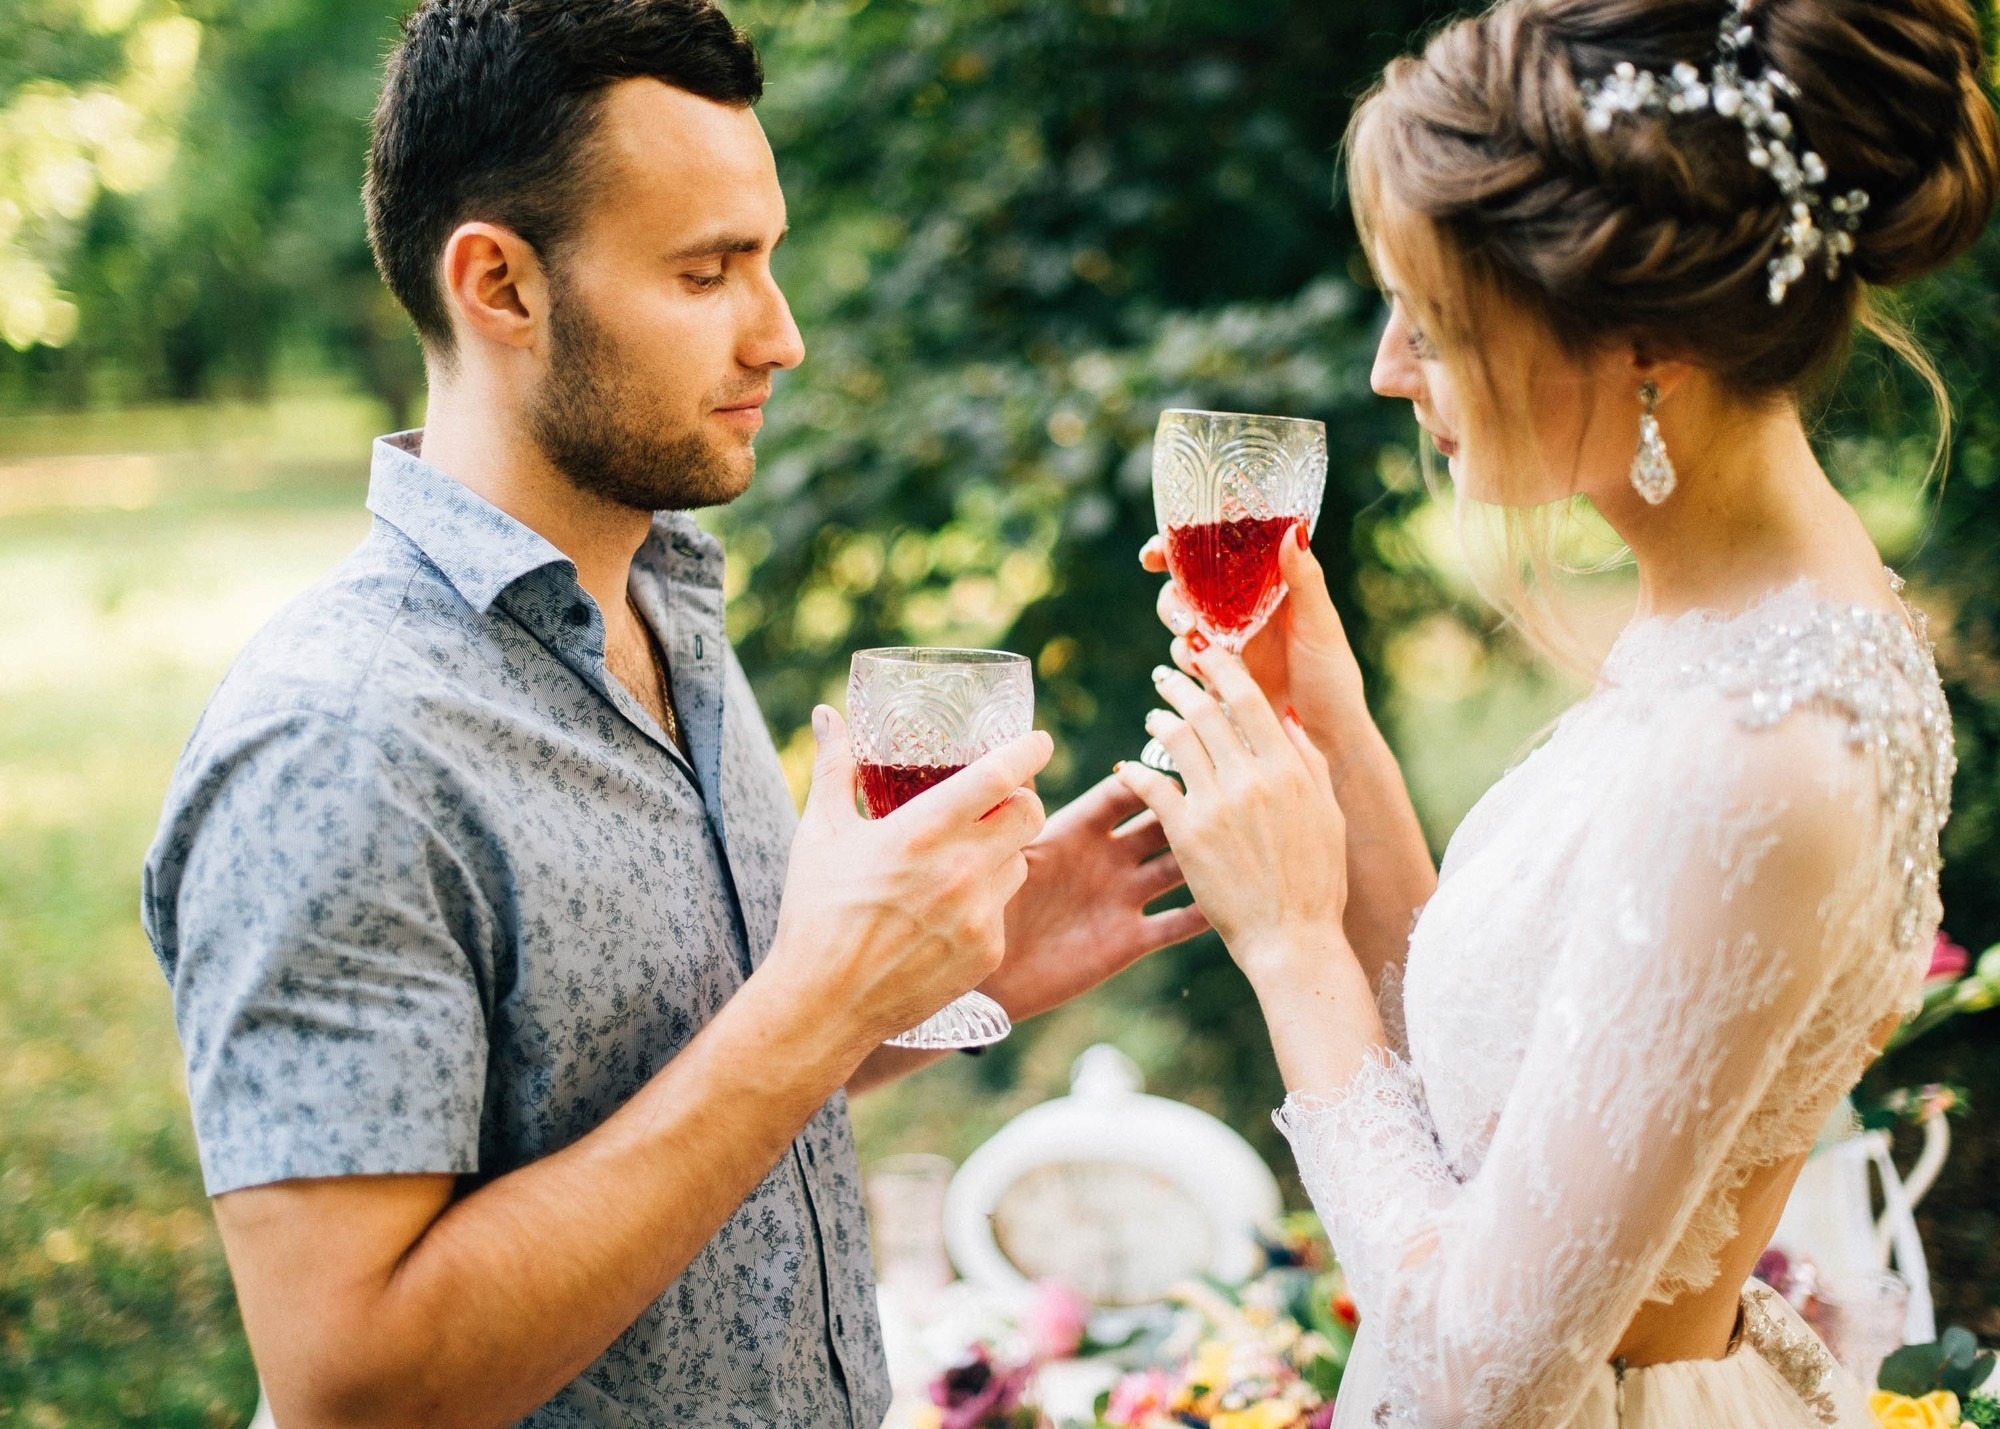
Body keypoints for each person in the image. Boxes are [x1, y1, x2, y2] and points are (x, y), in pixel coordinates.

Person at [139, 2, 1205, 1425]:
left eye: (769, 261)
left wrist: (948, 976)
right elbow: (354, 1380)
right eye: (710, 273)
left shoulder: (667, 612)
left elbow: (674, 1075)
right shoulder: (339, 745)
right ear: (500, 286)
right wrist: (824, 994)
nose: (786, 337)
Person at [1113, 0, 1997, 1424]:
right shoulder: (1726, 635)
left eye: (1440, 319)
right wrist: (1332, 726)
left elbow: (1486, 1376)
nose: (1390, 368)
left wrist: (1289, 945)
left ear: (1643, 338)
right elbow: (1502, 1089)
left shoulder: (1769, 748)